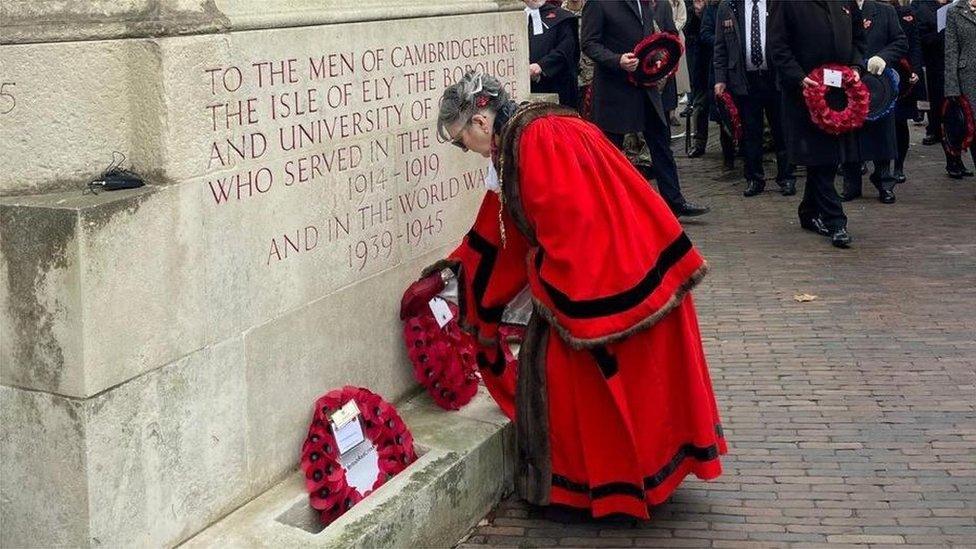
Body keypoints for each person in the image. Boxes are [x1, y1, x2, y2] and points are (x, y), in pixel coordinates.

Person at [416, 72, 727, 521]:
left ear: (481, 120)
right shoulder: (530, 133)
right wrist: (460, 275)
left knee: (561, 375)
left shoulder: (534, 141)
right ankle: (622, 482)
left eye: (462, 140)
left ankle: (595, 491)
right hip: (633, 263)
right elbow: (496, 229)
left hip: (611, 281)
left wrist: (533, 283)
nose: (467, 150)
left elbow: (569, 229)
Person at [581, 0, 710, 217]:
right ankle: (605, 210)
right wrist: (617, 60)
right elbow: (589, 43)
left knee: (661, 144)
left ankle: (674, 202)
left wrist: (658, 58)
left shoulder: (648, 3)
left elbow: (649, 37)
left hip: (645, 88)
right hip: (615, 91)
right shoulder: (598, 3)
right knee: (610, 153)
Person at [768, 0, 866, 248]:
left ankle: (808, 211)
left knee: (827, 159)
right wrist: (799, 77)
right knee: (821, 158)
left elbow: (858, 37)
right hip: (805, 94)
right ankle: (836, 221)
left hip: (838, 93)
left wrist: (855, 66)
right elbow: (778, 46)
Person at [712, 0, 797, 197]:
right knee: (751, 132)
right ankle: (754, 179)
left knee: (782, 130)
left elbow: (791, 38)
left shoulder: (777, 4)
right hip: (745, 79)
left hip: (775, 78)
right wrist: (720, 78)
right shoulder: (729, 6)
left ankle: (786, 178)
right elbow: (720, 47)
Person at [840, 0, 907, 204]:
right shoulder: (839, 11)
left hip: (879, 86)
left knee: (882, 135)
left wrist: (883, 57)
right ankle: (851, 185)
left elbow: (900, 41)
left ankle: (885, 183)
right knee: (850, 136)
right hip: (849, 83)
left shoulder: (885, 11)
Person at [890, 0, 924, 184]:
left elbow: (915, 44)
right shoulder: (869, 10)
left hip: (903, 74)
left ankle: (898, 165)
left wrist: (916, 70)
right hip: (879, 74)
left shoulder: (906, 13)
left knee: (900, 121)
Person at [525, 0, 581, 109]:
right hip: (526, 87)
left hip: (556, 85)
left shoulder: (562, 17)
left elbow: (566, 49)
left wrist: (541, 66)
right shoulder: (513, 17)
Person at [944, 0, 976, 176]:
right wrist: (952, 89)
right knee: (974, 130)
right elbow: (951, 51)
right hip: (968, 80)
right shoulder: (955, 11)